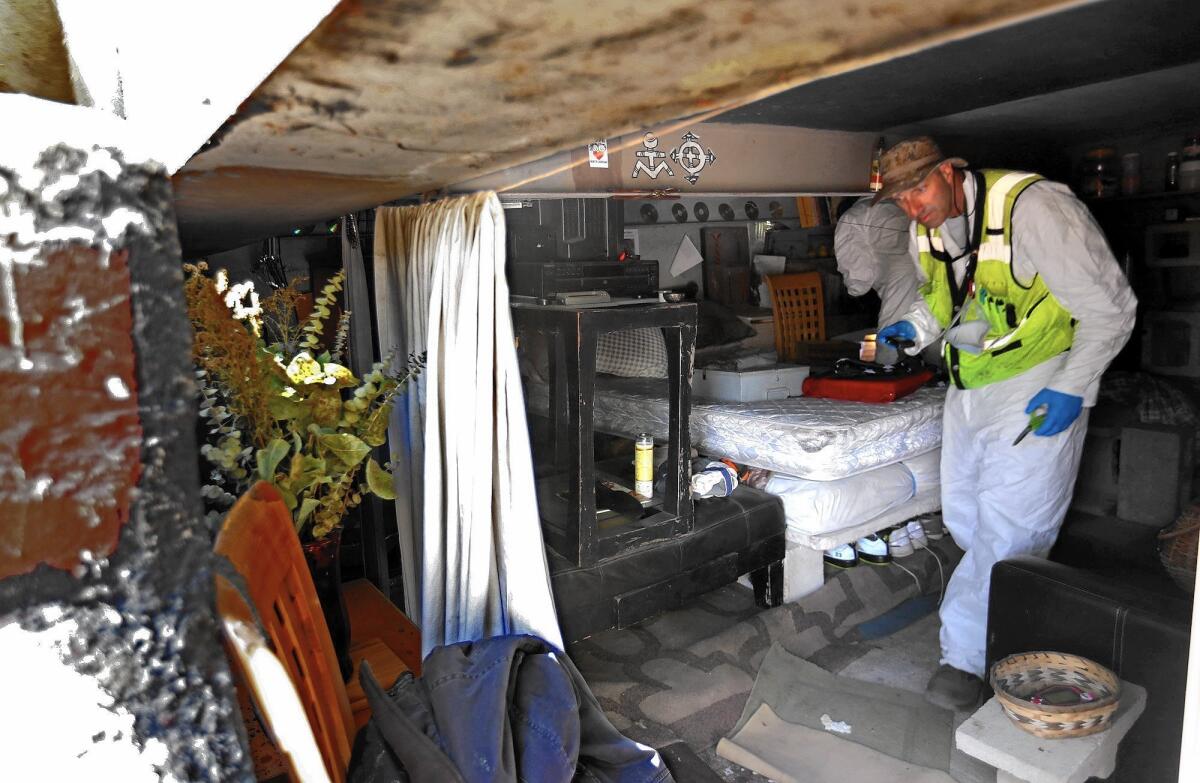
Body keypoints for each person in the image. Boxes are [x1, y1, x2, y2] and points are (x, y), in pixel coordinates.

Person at [873, 137, 1136, 711]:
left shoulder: (1035, 207)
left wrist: (1072, 386)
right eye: (900, 199)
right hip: (970, 386)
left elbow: (1110, 308)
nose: (913, 208)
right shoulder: (927, 226)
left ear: (949, 172)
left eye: (919, 189)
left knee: (1013, 528)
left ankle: (964, 661)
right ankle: (1009, 619)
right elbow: (945, 300)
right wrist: (914, 329)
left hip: (1038, 383)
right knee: (967, 517)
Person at [833, 196, 940, 365]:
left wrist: (852, 288)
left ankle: (887, 377)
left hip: (903, 276)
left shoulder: (850, 217)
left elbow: (858, 278)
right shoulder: (892, 203)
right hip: (934, 265)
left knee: (890, 337)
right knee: (933, 324)